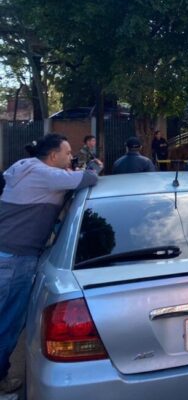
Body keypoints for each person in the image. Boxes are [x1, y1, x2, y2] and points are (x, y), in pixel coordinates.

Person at [0, 133, 100, 396]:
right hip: (15, 260)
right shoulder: (47, 175)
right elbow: (90, 178)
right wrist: (94, 166)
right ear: (53, 156)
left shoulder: (25, 166)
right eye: (67, 154)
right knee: (8, 323)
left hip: (7, 254)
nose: (71, 158)